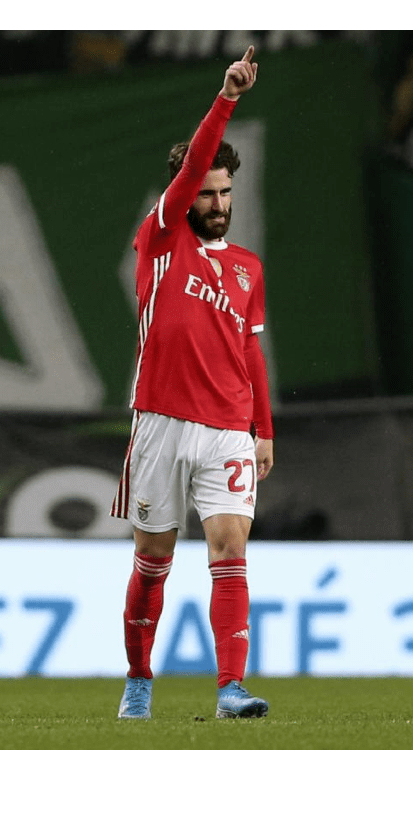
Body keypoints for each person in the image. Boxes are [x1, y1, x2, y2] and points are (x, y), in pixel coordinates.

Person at [111, 46, 275, 720]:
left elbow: (250, 354)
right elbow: (185, 182)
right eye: (205, 192)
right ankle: (139, 679)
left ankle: (230, 689)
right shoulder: (160, 238)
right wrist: (227, 96)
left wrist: (263, 428)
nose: (217, 203)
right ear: (182, 195)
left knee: (230, 547)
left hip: (228, 428)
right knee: (153, 561)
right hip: (160, 420)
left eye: (225, 192)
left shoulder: (247, 268)